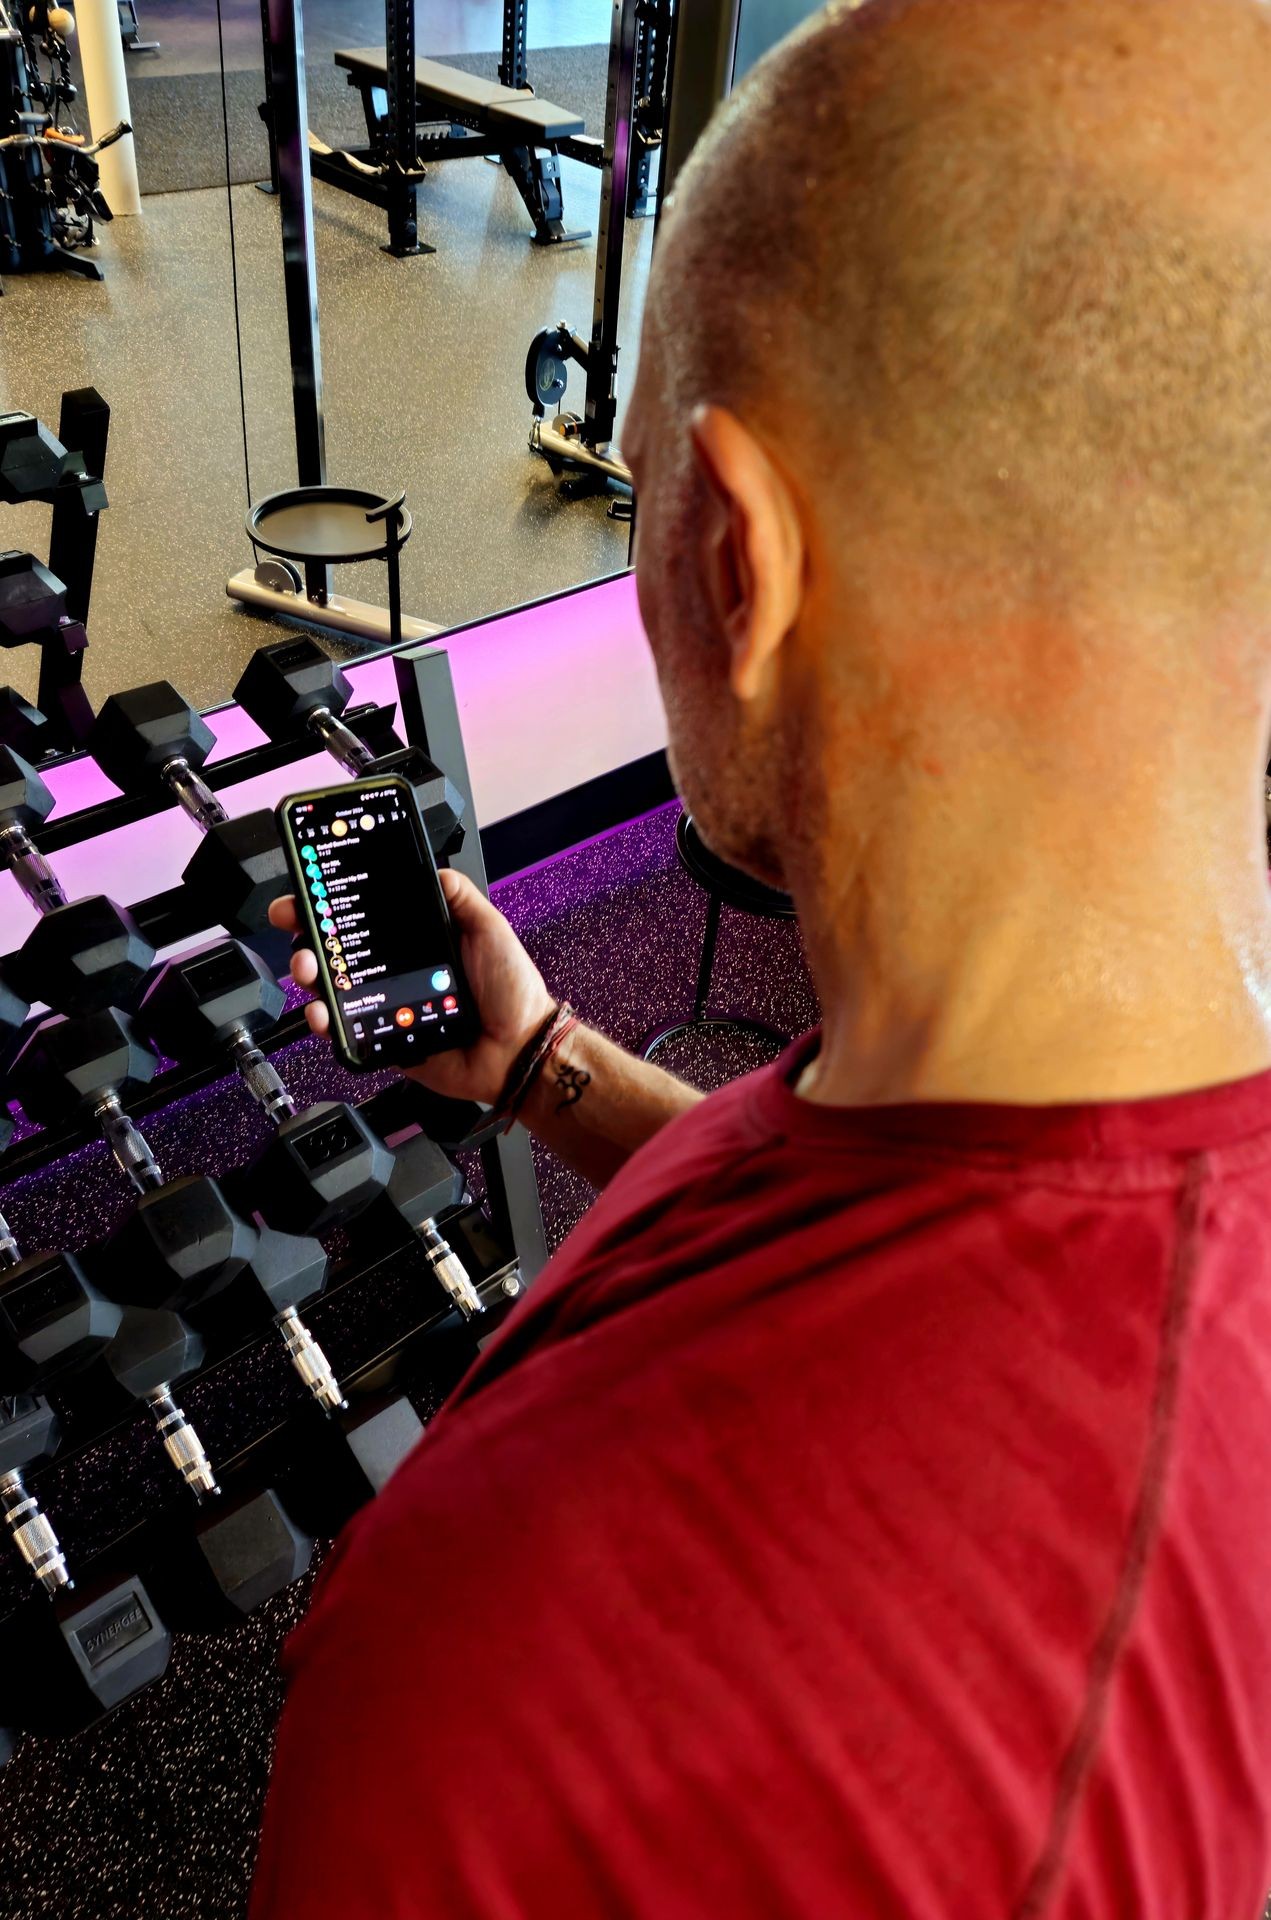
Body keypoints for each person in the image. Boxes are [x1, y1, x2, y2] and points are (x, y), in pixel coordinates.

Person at [250, 0, 1271, 1912]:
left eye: (640, 489)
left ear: (736, 549)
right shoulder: (1070, 1091)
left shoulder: (492, 1700)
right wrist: (554, 1061)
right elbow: (910, 1236)